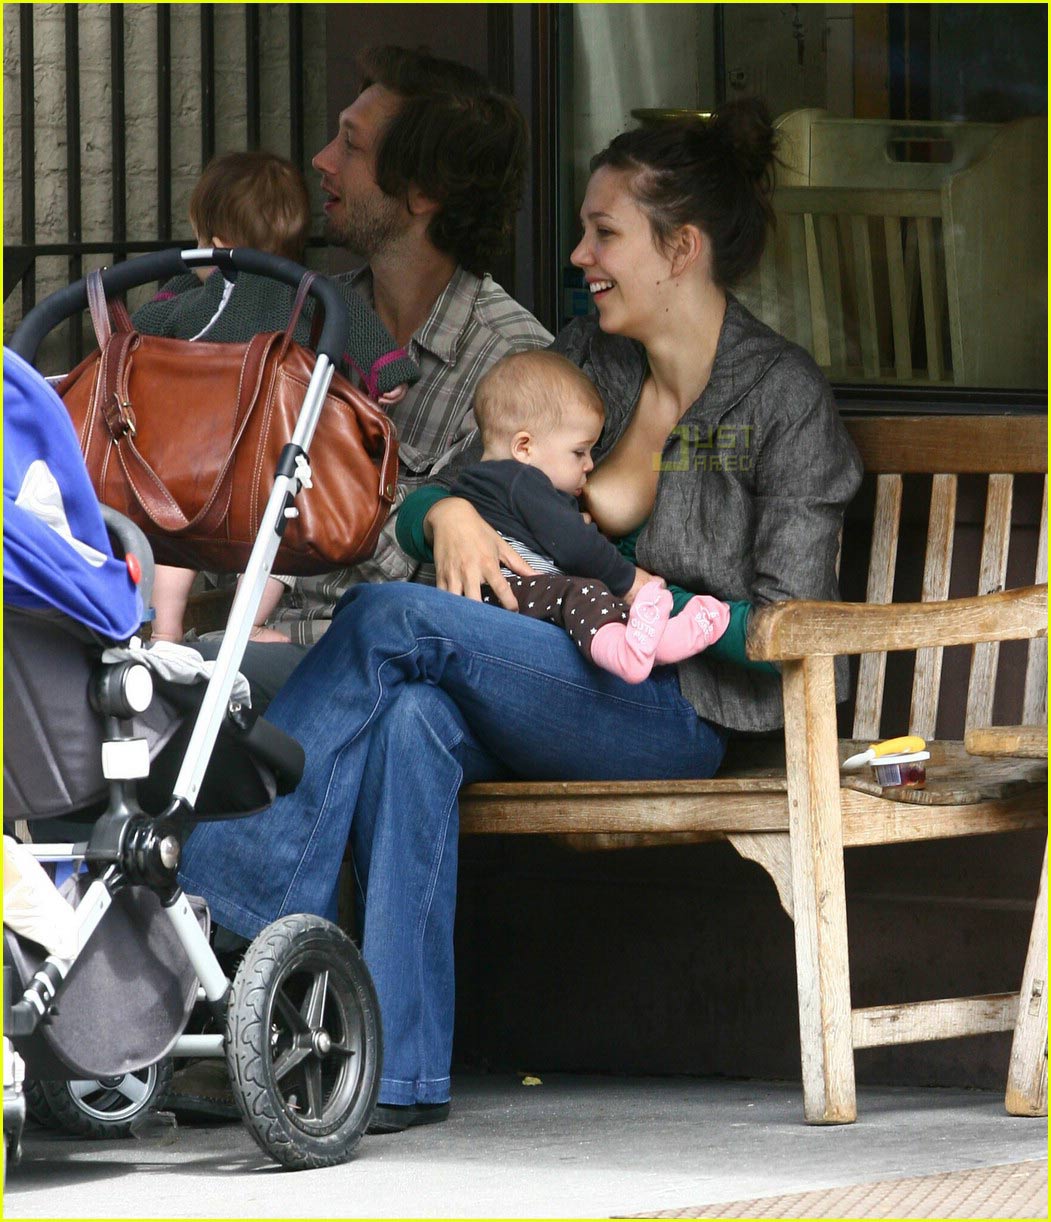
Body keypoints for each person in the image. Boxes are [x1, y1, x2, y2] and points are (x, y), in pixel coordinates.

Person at [177, 99, 863, 1134]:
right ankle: (394, 1074)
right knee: (408, 717)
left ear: (681, 249)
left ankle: (223, 892)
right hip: (548, 666)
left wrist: (667, 609)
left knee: (390, 625)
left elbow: (788, 632)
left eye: (605, 232)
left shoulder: (780, 397)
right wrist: (445, 504)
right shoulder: (589, 363)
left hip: (672, 707)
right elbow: (420, 506)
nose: (579, 252)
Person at [186, 46, 551, 709]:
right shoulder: (307, 311)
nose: (321, 160)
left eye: (350, 146)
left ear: (421, 192)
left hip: (386, 678)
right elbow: (220, 520)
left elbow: (472, 601)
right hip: (247, 645)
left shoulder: (515, 367)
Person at [131, 149, 419, 645]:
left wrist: (158, 302)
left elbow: (143, 334)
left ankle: (167, 630)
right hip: (278, 450)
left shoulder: (202, 295)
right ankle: (248, 625)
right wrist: (385, 371)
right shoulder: (310, 290)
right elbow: (355, 322)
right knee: (274, 543)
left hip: (202, 451)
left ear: (218, 246)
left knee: (176, 535)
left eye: (200, 241)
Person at [449, 348, 731, 682]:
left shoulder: (482, 484)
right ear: (524, 448)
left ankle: (657, 641)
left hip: (499, 604)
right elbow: (573, 545)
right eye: (579, 452)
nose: (589, 465)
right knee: (579, 591)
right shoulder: (519, 479)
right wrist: (626, 579)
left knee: (581, 594)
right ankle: (625, 653)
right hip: (505, 594)